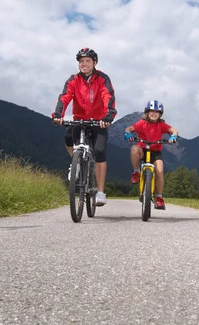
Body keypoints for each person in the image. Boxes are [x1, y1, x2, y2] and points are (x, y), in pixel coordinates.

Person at [52, 47, 116, 206]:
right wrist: (58, 114)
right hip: (79, 120)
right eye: (81, 61)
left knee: (100, 151)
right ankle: (77, 162)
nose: (84, 64)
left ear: (94, 63)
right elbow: (65, 96)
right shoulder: (73, 79)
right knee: (68, 137)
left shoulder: (103, 79)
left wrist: (109, 116)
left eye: (87, 61)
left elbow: (108, 96)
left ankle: (100, 192)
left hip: (98, 121)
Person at [124, 100, 178, 210]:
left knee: (160, 171)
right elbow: (129, 128)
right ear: (147, 113)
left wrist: (173, 136)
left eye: (157, 112)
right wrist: (128, 133)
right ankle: (136, 172)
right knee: (134, 149)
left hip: (155, 152)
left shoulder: (161, 125)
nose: (154, 114)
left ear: (160, 114)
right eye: (151, 112)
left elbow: (174, 130)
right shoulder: (141, 123)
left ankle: (159, 198)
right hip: (142, 150)